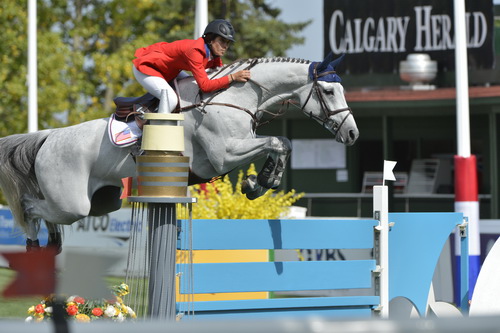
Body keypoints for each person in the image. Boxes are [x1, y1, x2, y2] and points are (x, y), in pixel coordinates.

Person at [132, 19, 251, 113]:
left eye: (227, 43)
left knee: (190, 85)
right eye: (222, 41)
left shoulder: (213, 55)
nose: (225, 46)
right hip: (148, 67)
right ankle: (155, 135)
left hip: (170, 70)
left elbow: (218, 73)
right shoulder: (195, 51)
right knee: (170, 99)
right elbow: (205, 86)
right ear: (210, 39)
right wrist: (233, 77)